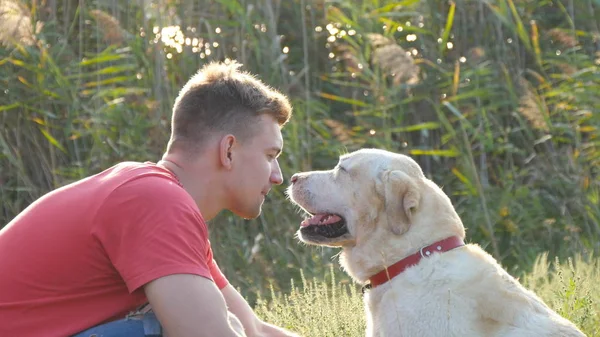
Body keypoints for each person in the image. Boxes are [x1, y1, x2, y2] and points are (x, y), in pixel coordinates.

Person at [0, 60, 300, 337]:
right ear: (229, 150)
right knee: (173, 324)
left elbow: (255, 330)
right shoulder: (155, 201)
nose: (277, 176)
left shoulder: (153, 197)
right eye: (270, 155)